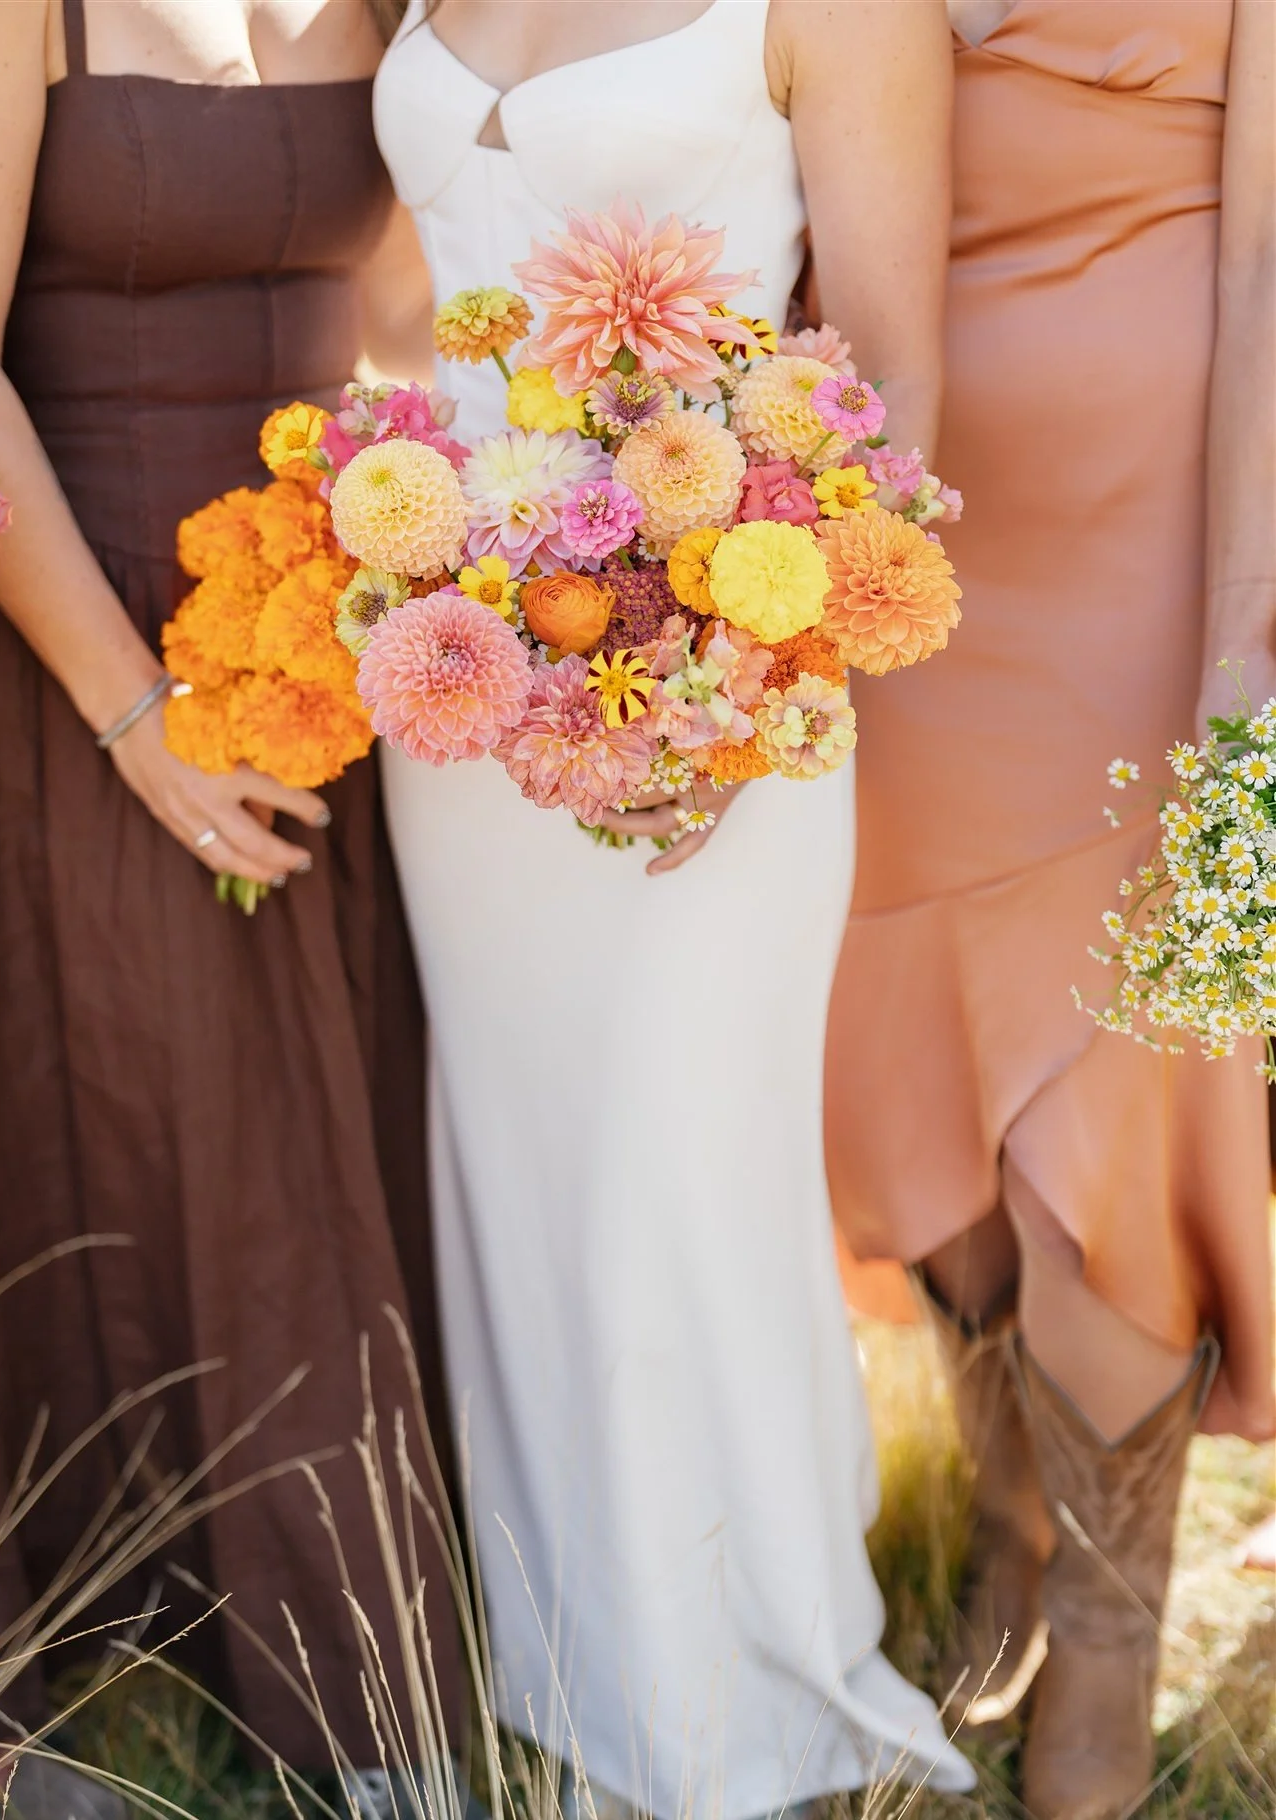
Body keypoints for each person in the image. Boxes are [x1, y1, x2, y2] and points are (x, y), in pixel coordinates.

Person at [370, 1, 973, 1812]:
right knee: (518, 1161)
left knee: (676, 1168)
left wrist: (749, 690)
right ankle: (580, 1680)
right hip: (463, 668)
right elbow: (404, 307)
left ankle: (740, 1716)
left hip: (720, 678)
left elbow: (889, 387)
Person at [0, 0, 457, 1786]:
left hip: (334, 624)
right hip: (91, 632)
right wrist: (134, 717)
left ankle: (381, 1630)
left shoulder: (390, 5)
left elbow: (398, 314)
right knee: (182, 1124)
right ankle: (218, 1656)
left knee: (336, 1121)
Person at [826, 3, 1276, 1816]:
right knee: (911, 1040)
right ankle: (1007, 1539)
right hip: (886, 521)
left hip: (1154, 536)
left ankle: (1102, 1637)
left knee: (1116, 1078)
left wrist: (1249, 626)